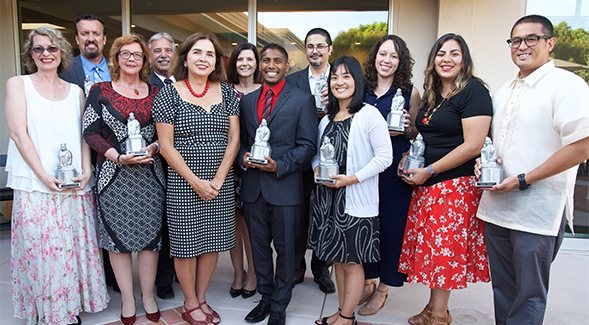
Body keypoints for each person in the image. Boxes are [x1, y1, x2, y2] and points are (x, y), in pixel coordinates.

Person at [476, 15, 589, 325]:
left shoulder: (567, 85)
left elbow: (582, 146)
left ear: (549, 43)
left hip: (537, 212)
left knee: (528, 295)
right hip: (497, 207)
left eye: (531, 39)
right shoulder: (504, 90)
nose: (521, 46)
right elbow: (495, 145)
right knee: (503, 290)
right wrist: (483, 162)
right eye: (515, 40)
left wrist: (524, 179)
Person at [6, 26, 109, 325]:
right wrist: (42, 175)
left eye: (51, 48)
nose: (46, 54)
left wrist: (88, 169)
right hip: (36, 184)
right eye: (38, 49)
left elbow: (83, 135)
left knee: (69, 248)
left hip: (73, 183)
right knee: (41, 251)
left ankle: (69, 308)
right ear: (30, 54)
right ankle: (46, 311)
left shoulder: (76, 91)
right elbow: (17, 133)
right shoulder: (18, 84)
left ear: (62, 52)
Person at [398, 33, 493, 325]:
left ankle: (439, 316)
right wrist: (410, 155)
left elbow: (473, 145)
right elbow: (428, 136)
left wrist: (430, 170)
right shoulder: (434, 93)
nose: (446, 59)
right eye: (441, 53)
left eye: (454, 53)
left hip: (453, 186)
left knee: (443, 253)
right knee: (435, 251)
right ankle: (433, 308)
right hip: (429, 184)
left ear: (464, 59)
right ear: (433, 60)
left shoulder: (474, 91)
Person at [152, 32, 239, 325]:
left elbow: (234, 140)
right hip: (184, 182)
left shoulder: (226, 92)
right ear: (186, 57)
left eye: (210, 54)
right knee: (186, 244)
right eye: (197, 53)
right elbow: (166, 146)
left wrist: (217, 179)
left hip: (220, 183)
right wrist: (196, 182)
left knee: (213, 241)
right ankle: (189, 302)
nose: (204, 59)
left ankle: (201, 297)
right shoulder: (169, 92)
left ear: (216, 61)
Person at [83, 33, 164, 325]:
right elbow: (90, 131)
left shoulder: (156, 92)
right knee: (117, 242)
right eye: (126, 53)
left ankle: (148, 296)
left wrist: (154, 147)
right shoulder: (100, 90)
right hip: (113, 177)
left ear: (145, 61)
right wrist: (116, 156)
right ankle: (128, 299)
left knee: (149, 241)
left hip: (151, 178)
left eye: (138, 55)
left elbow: (164, 133)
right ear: (116, 58)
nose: (132, 59)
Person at [309, 56, 392, 325]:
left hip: (354, 199)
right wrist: (314, 167)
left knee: (353, 262)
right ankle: (342, 311)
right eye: (334, 77)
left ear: (357, 80)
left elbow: (384, 158)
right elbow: (317, 155)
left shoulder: (369, 114)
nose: (339, 82)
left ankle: (346, 317)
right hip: (328, 200)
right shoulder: (326, 120)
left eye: (346, 76)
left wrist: (351, 179)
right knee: (338, 260)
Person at [238, 43, 317, 325]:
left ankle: (280, 305)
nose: (271, 65)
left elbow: (308, 145)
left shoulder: (301, 99)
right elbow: (241, 142)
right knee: (259, 248)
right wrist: (242, 157)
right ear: (260, 64)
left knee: (285, 251)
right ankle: (266, 297)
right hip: (253, 188)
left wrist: (279, 166)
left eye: (277, 61)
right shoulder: (247, 102)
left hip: (285, 186)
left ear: (287, 66)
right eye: (266, 60)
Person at [359, 34, 421, 316]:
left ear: (401, 61)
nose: (387, 60)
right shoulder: (362, 89)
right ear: (375, 57)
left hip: (394, 169)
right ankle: (368, 279)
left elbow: (416, 134)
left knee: (392, 227)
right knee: (366, 225)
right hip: (365, 168)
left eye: (394, 56)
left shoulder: (410, 92)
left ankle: (384, 288)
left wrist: (408, 129)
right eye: (383, 54)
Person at [285, 27, 335, 294]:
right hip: (300, 160)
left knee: (326, 215)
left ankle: (321, 268)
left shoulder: (341, 78)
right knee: (298, 216)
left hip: (332, 160)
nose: (315, 50)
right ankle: (295, 269)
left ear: (329, 49)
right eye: (310, 46)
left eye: (320, 46)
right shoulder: (292, 81)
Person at [226, 42, 262, 299]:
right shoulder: (226, 92)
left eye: (250, 59)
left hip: (255, 165)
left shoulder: (265, 92)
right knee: (233, 223)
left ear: (256, 63)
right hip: (229, 165)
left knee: (251, 225)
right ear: (234, 63)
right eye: (240, 59)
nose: (245, 64)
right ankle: (238, 272)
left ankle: (254, 273)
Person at [147, 31, 177, 300]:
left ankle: (179, 269)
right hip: (155, 165)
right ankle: (164, 278)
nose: (163, 55)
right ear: (150, 55)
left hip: (186, 165)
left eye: (167, 50)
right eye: (157, 50)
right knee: (163, 224)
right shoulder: (144, 86)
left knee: (180, 220)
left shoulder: (185, 84)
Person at [59, 13, 111, 96]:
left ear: (104, 39)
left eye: (96, 34)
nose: (90, 39)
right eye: (84, 34)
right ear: (77, 39)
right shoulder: (64, 69)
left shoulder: (119, 68)